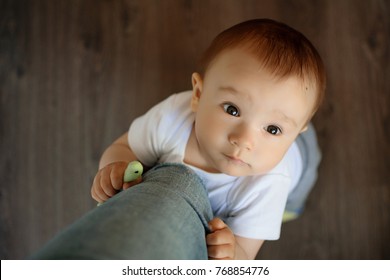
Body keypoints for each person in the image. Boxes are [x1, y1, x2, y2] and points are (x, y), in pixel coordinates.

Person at [91, 18, 326, 260]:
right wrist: (115, 168)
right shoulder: (172, 118)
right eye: (232, 110)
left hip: (301, 160)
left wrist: (234, 253)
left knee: (288, 204)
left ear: (297, 132)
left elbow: (245, 254)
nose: (244, 140)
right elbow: (124, 147)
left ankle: (290, 204)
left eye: (273, 129)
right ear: (198, 94)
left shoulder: (269, 184)